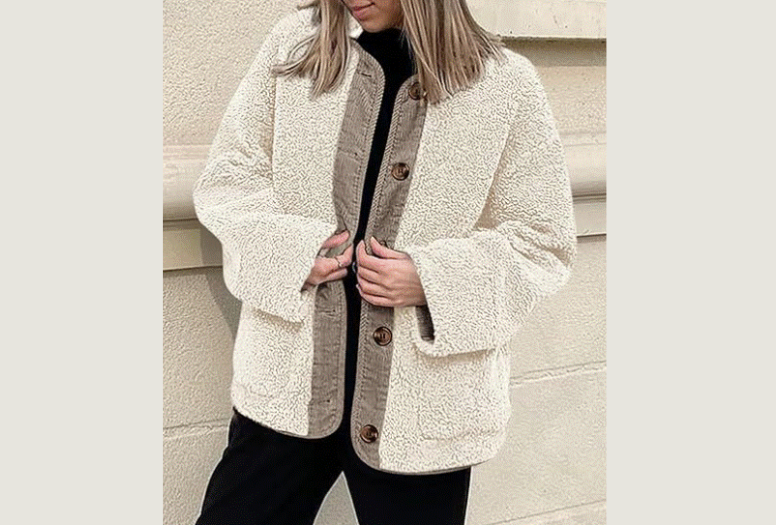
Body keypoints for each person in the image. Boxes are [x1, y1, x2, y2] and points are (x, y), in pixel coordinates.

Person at [191, 0, 577, 523]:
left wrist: (431, 281)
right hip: (288, 388)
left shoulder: (505, 85)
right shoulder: (298, 45)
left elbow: (543, 240)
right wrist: (292, 253)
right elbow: (230, 176)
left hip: (422, 413)